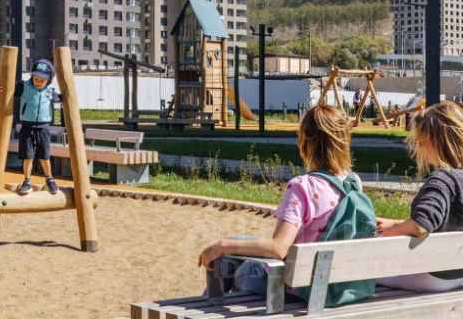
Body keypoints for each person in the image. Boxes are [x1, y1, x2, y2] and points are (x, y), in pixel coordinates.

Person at [198, 105, 365, 297]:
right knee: (236, 242)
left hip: (297, 286)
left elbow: (279, 248)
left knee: (234, 264)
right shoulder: (353, 183)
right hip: (335, 283)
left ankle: (209, 305)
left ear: (305, 141)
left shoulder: (303, 188)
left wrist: (221, 246)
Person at [377, 101, 463, 292]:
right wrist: (396, 223)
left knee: (361, 270)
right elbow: (443, 221)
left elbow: (420, 227)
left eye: (420, 139)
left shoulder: (442, 181)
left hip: (432, 276)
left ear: (433, 140)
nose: (418, 145)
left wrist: (386, 232)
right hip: (458, 276)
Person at [0, 59, 62, 195]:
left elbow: (60, 98)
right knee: (28, 155)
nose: (38, 82)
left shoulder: (49, 91)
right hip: (27, 126)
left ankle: (49, 179)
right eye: (35, 79)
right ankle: (27, 181)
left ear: (49, 80)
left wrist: (65, 96)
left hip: (43, 127)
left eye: (42, 80)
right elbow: (6, 87)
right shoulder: (24, 87)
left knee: (44, 155)